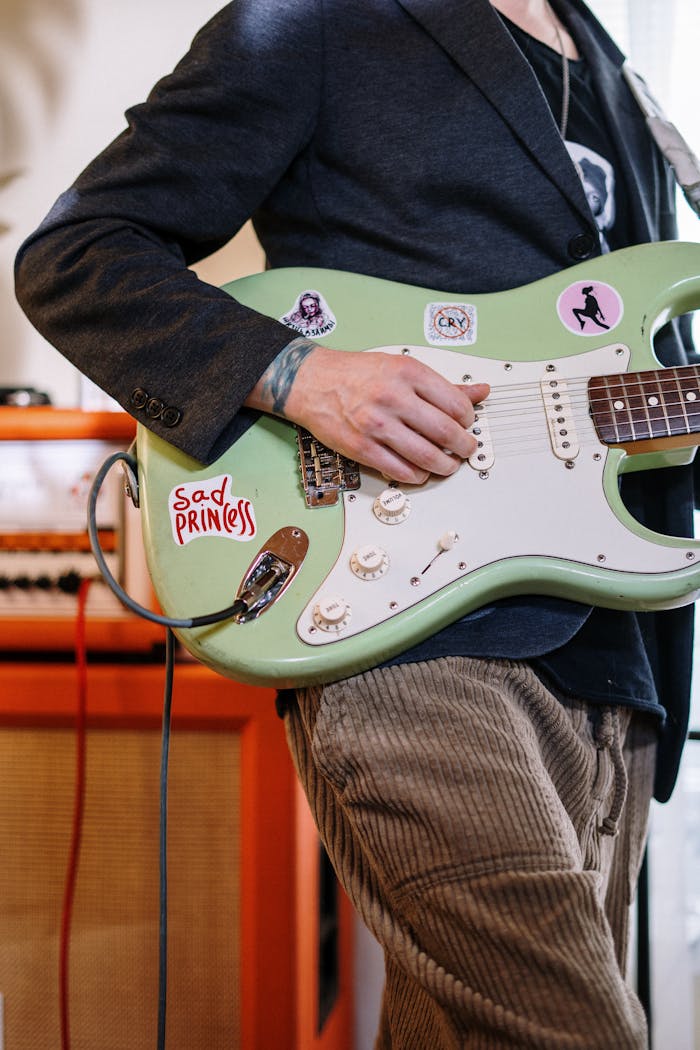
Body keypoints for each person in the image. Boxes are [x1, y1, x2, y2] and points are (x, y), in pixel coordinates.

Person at [14, 1, 697, 1046]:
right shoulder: (323, 19)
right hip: (409, 623)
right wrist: (295, 374)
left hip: (616, 661)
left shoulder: (610, 63)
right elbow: (78, 254)